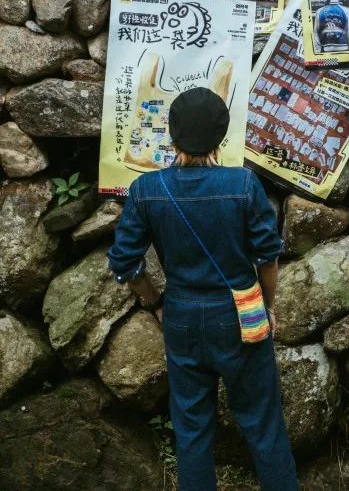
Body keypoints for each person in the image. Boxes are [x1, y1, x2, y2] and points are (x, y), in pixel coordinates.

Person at [107, 87, 297, 491]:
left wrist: (156, 301)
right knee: (264, 425)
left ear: (172, 137)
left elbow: (124, 263)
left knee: (192, 431)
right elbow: (267, 257)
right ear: (221, 136)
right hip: (242, 314)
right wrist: (266, 305)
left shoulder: (146, 189)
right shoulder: (243, 184)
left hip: (181, 316)